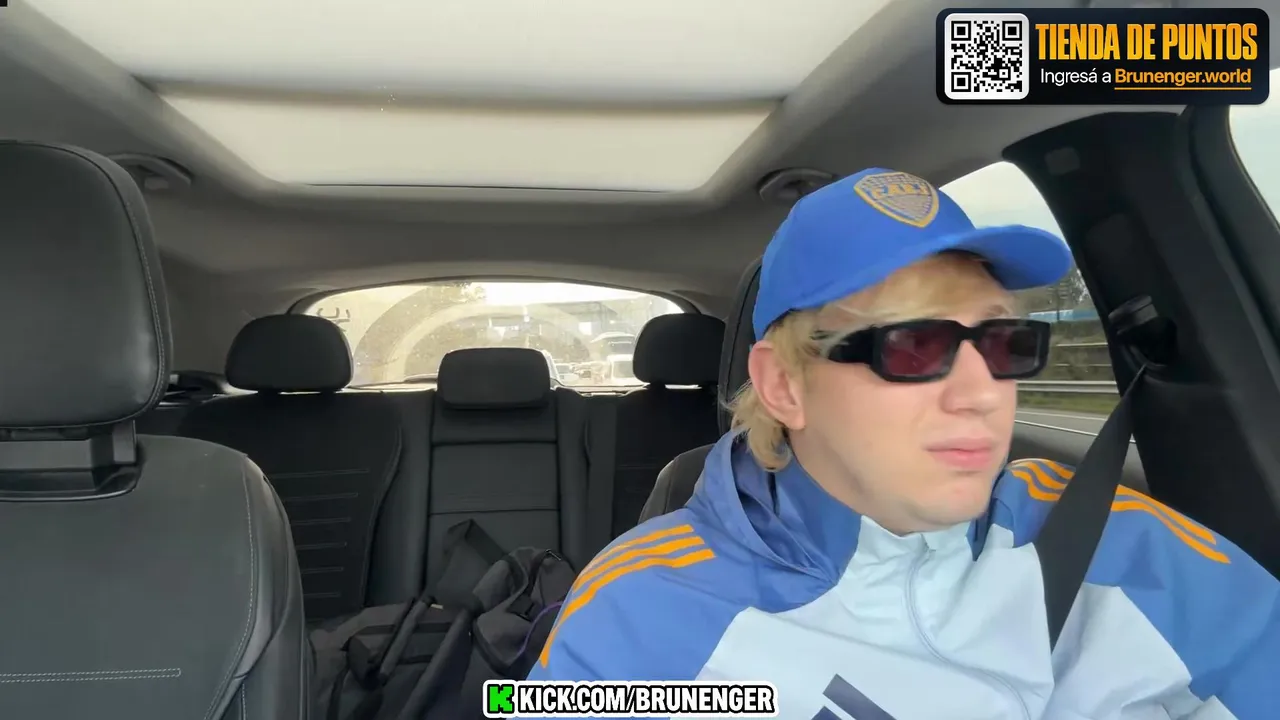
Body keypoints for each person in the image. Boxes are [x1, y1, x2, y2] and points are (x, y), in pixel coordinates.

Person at [528, 168, 1279, 718]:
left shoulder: (1120, 539)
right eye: (914, 347)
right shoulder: (642, 611)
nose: (983, 392)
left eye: (1004, 343)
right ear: (785, 386)